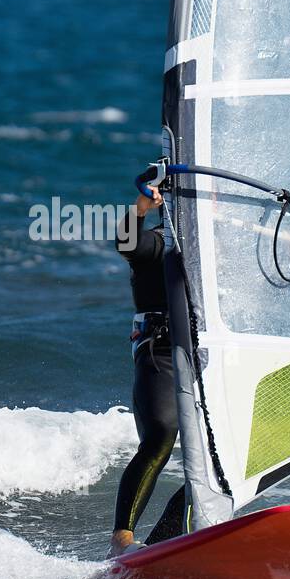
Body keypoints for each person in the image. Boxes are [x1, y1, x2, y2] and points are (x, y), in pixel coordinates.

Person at [109, 183, 187, 558]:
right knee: (161, 434)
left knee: (224, 460)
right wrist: (139, 208)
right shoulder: (158, 244)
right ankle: (121, 540)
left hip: (211, 354)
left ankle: (162, 547)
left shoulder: (226, 250)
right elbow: (126, 243)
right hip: (161, 349)